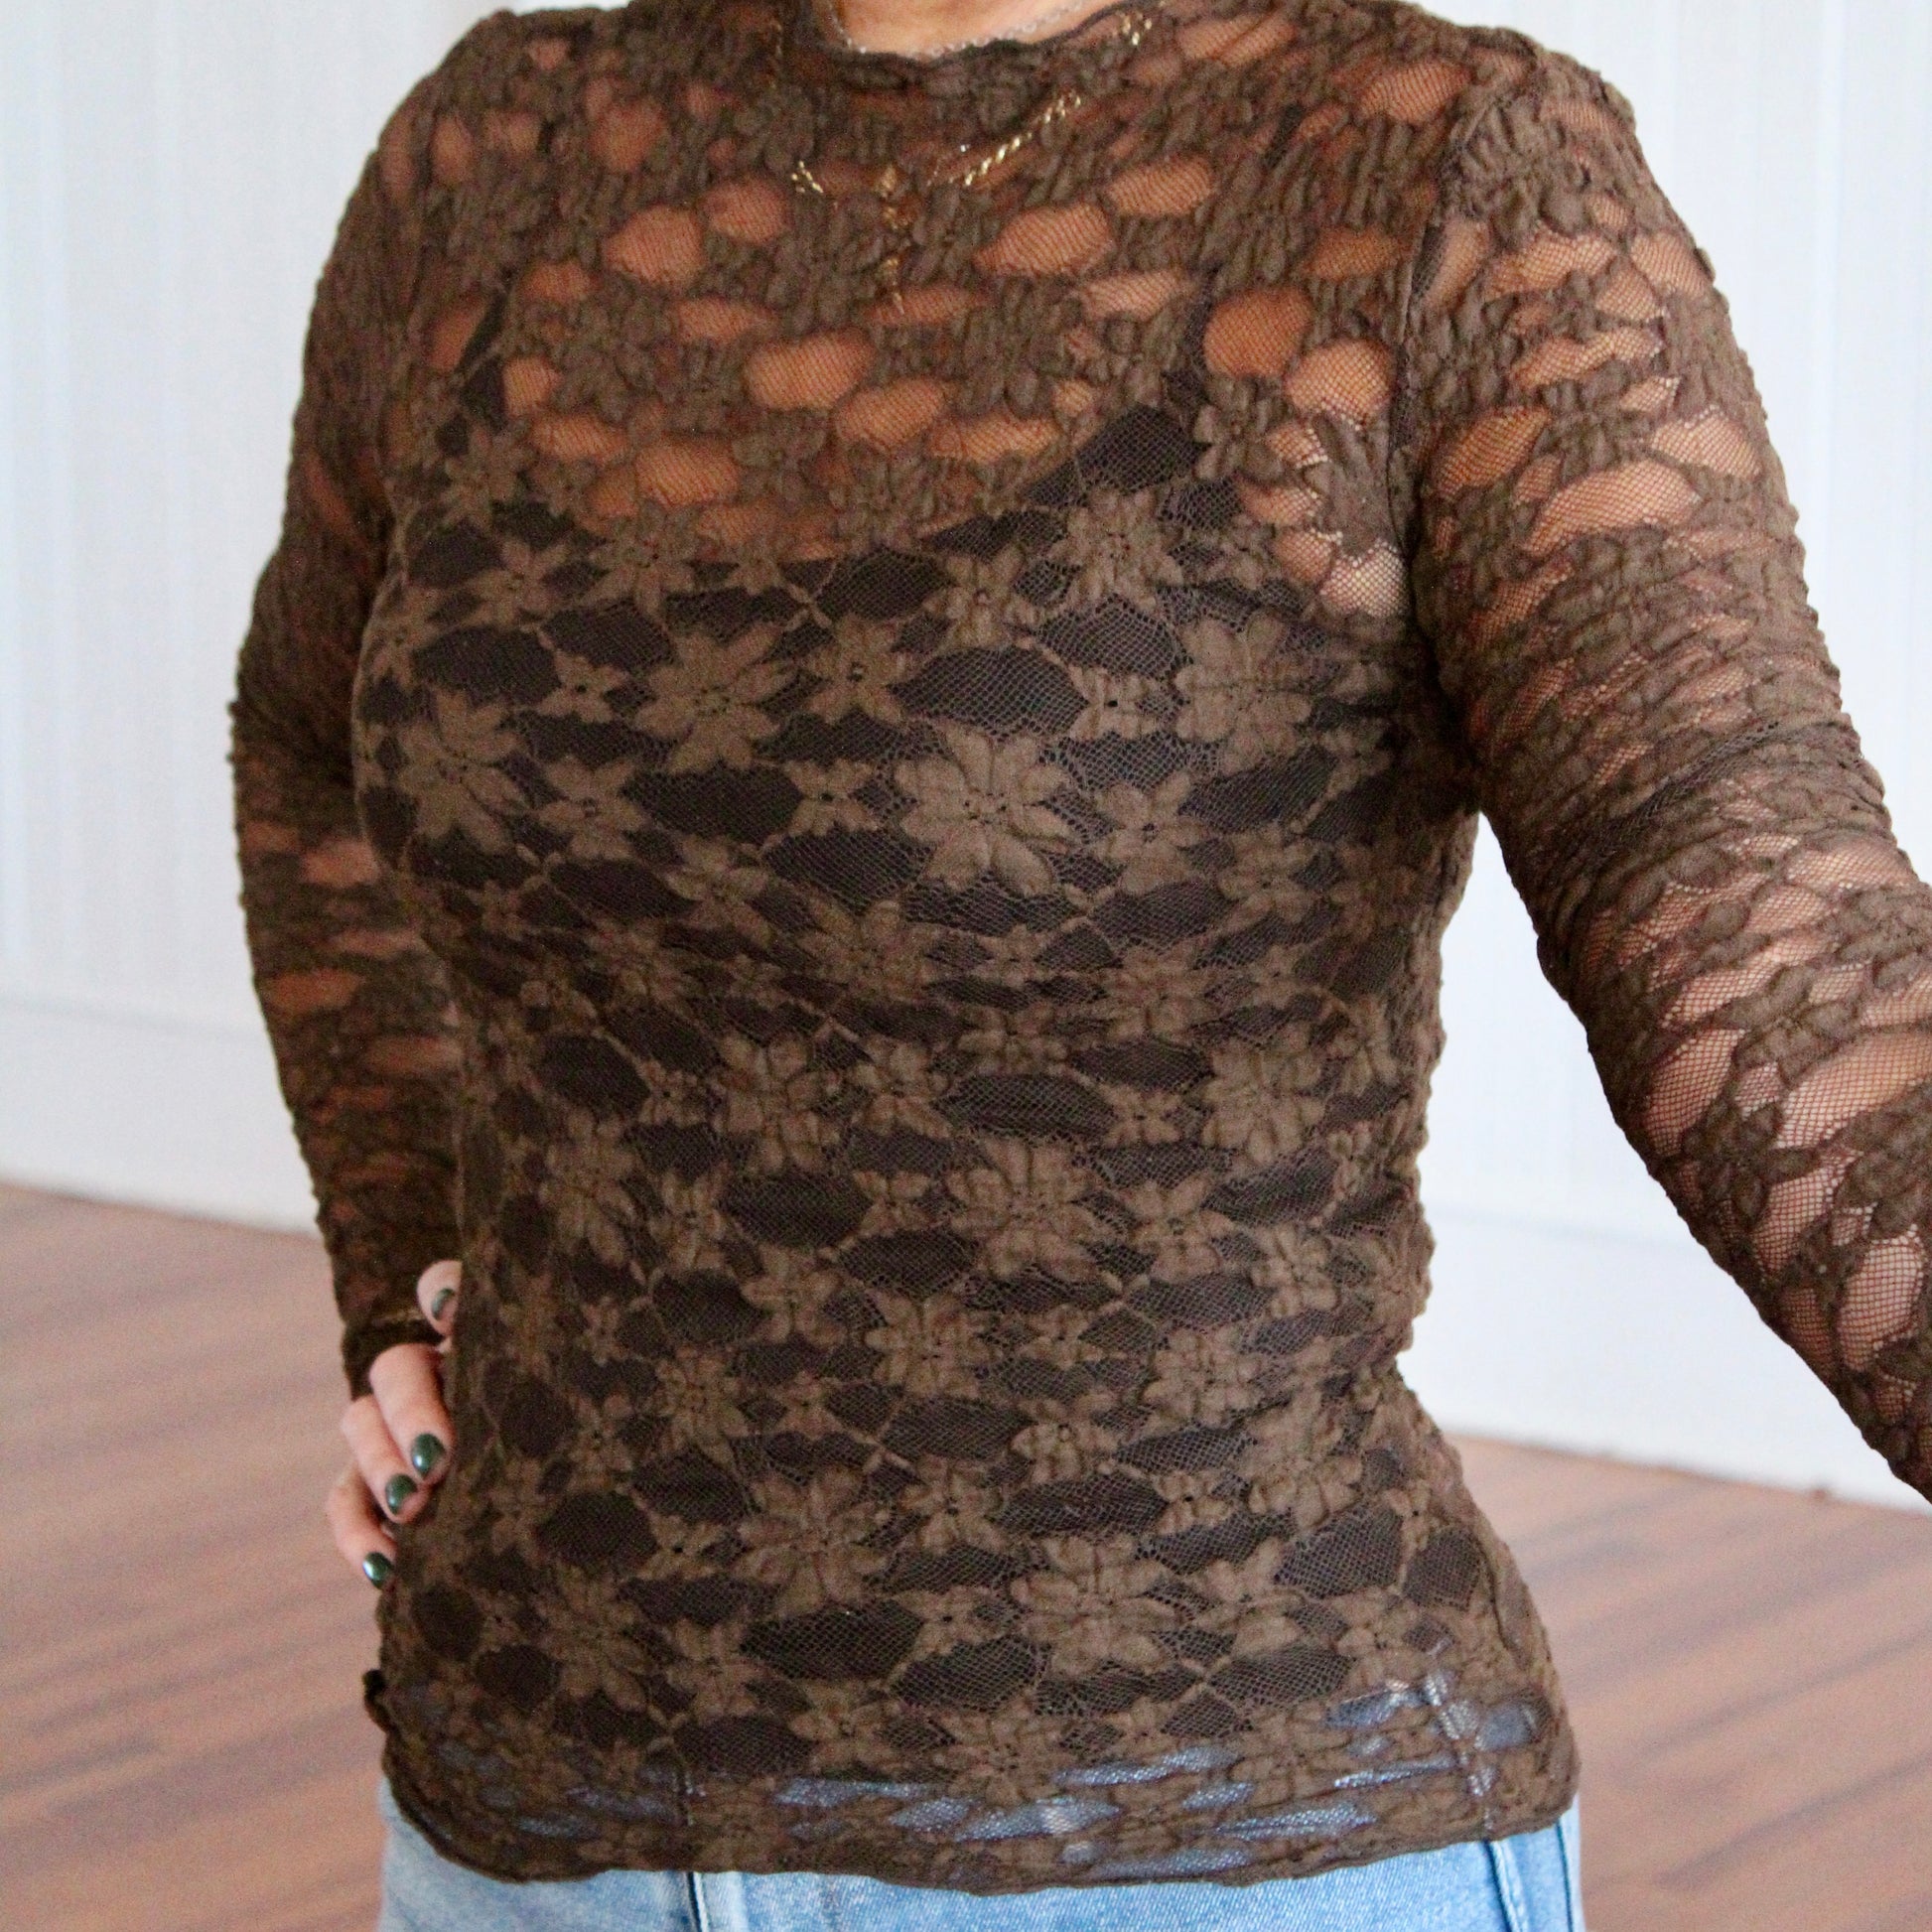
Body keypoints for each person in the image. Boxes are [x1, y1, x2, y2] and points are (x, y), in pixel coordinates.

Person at [226, 0, 1932, 1923]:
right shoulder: (495, 150)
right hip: (523, 1817)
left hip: (1204, 1833)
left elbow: (1766, 941)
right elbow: (306, 739)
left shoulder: (1443, 174)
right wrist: (403, 1269)